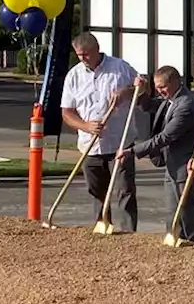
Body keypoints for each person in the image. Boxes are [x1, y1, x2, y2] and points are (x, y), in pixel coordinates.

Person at [60, 32, 140, 232]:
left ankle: (128, 233)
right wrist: (86, 126)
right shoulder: (74, 75)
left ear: (97, 49)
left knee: (124, 190)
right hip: (90, 144)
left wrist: (127, 92)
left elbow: (143, 88)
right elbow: (67, 113)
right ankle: (102, 227)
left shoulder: (119, 67)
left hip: (120, 143)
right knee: (96, 191)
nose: (82, 58)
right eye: (79, 55)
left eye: (86, 54)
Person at [116, 66, 194, 243]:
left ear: (175, 82)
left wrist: (132, 151)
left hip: (184, 166)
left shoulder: (185, 105)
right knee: (172, 211)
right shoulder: (171, 100)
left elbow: (165, 137)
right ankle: (174, 242)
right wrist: (140, 92)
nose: (159, 91)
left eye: (162, 86)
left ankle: (192, 245)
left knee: (185, 211)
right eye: (156, 86)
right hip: (172, 165)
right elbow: (150, 106)